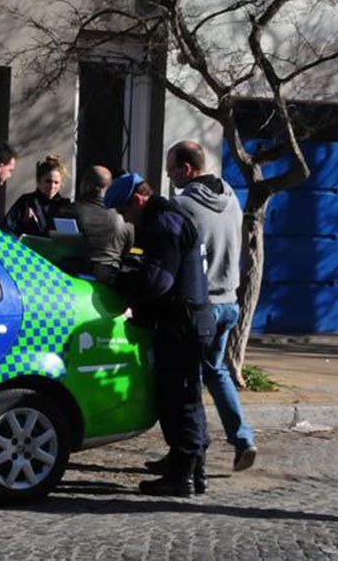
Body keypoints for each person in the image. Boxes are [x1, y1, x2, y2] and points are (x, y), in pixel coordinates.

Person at [159, 140, 258, 473]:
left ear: (186, 169)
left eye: (170, 169)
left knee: (186, 380)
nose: (169, 176)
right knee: (216, 372)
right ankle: (243, 437)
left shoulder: (182, 205)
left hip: (202, 306)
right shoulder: (231, 196)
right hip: (230, 301)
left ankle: (191, 454)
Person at [122, 187, 216, 496]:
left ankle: (182, 477)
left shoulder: (165, 223)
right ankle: (193, 469)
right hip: (192, 319)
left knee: (179, 399)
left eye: (124, 211)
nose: (124, 218)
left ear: (137, 200)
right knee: (188, 397)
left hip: (181, 323)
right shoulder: (173, 218)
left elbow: (158, 281)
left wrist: (125, 284)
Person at [74, 166, 133, 282]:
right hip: (112, 278)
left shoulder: (71, 211)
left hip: (78, 278)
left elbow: (62, 247)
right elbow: (127, 248)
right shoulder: (125, 215)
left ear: (84, 185)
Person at [5, 154, 74, 237]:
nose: (52, 186)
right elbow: (8, 228)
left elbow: (71, 237)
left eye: (56, 182)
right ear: (39, 181)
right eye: (48, 181)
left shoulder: (65, 206)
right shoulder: (26, 202)